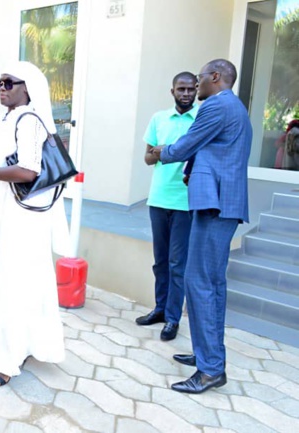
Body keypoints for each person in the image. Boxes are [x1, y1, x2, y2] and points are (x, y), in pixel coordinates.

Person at [0, 61, 65, 388]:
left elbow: (28, 172)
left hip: (19, 215)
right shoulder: (4, 119)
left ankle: (7, 359)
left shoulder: (30, 120)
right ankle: (4, 341)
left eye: (9, 83)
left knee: (12, 279)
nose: (1, 89)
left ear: (27, 88)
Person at [150, 59, 252, 394]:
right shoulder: (233, 107)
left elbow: (186, 144)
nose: (196, 86)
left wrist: (161, 151)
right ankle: (206, 356)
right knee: (210, 284)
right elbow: (214, 151)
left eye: (199, 79)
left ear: (215, 77)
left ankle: (209, 370)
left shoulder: (217, 106)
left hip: (215, 205)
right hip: (219, 203)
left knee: (201, 284)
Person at [136, 72, 197, 341]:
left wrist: (169, 151)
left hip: (185, 200)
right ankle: (160, 309)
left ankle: (173, 318)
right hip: (159, 198)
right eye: (180, 89)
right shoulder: (159, 119)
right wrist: (162, 151)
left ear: (196, 90)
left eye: (190, 89)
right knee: (161, 261)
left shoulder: (202, 119)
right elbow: (148, 159)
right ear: (172, 91)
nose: (186, 94)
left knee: (176, 263)